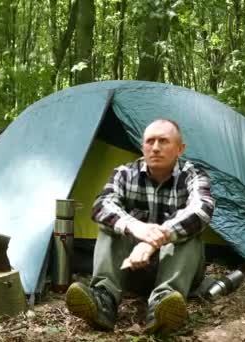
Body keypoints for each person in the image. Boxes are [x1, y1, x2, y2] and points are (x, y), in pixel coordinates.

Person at [65, 119, 215, 334]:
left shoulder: (194, 175)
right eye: (149, 141)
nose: (155, 147)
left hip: (179, 271)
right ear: (142, 146)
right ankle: (104, 300)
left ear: (180, 149)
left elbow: (202, 209)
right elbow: (101, 205)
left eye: (163, 141)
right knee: (111, 224)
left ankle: (164, 306)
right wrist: (136, 227)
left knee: (188, 231)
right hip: (131, 268)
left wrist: (155, 239)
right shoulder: (125, 173)